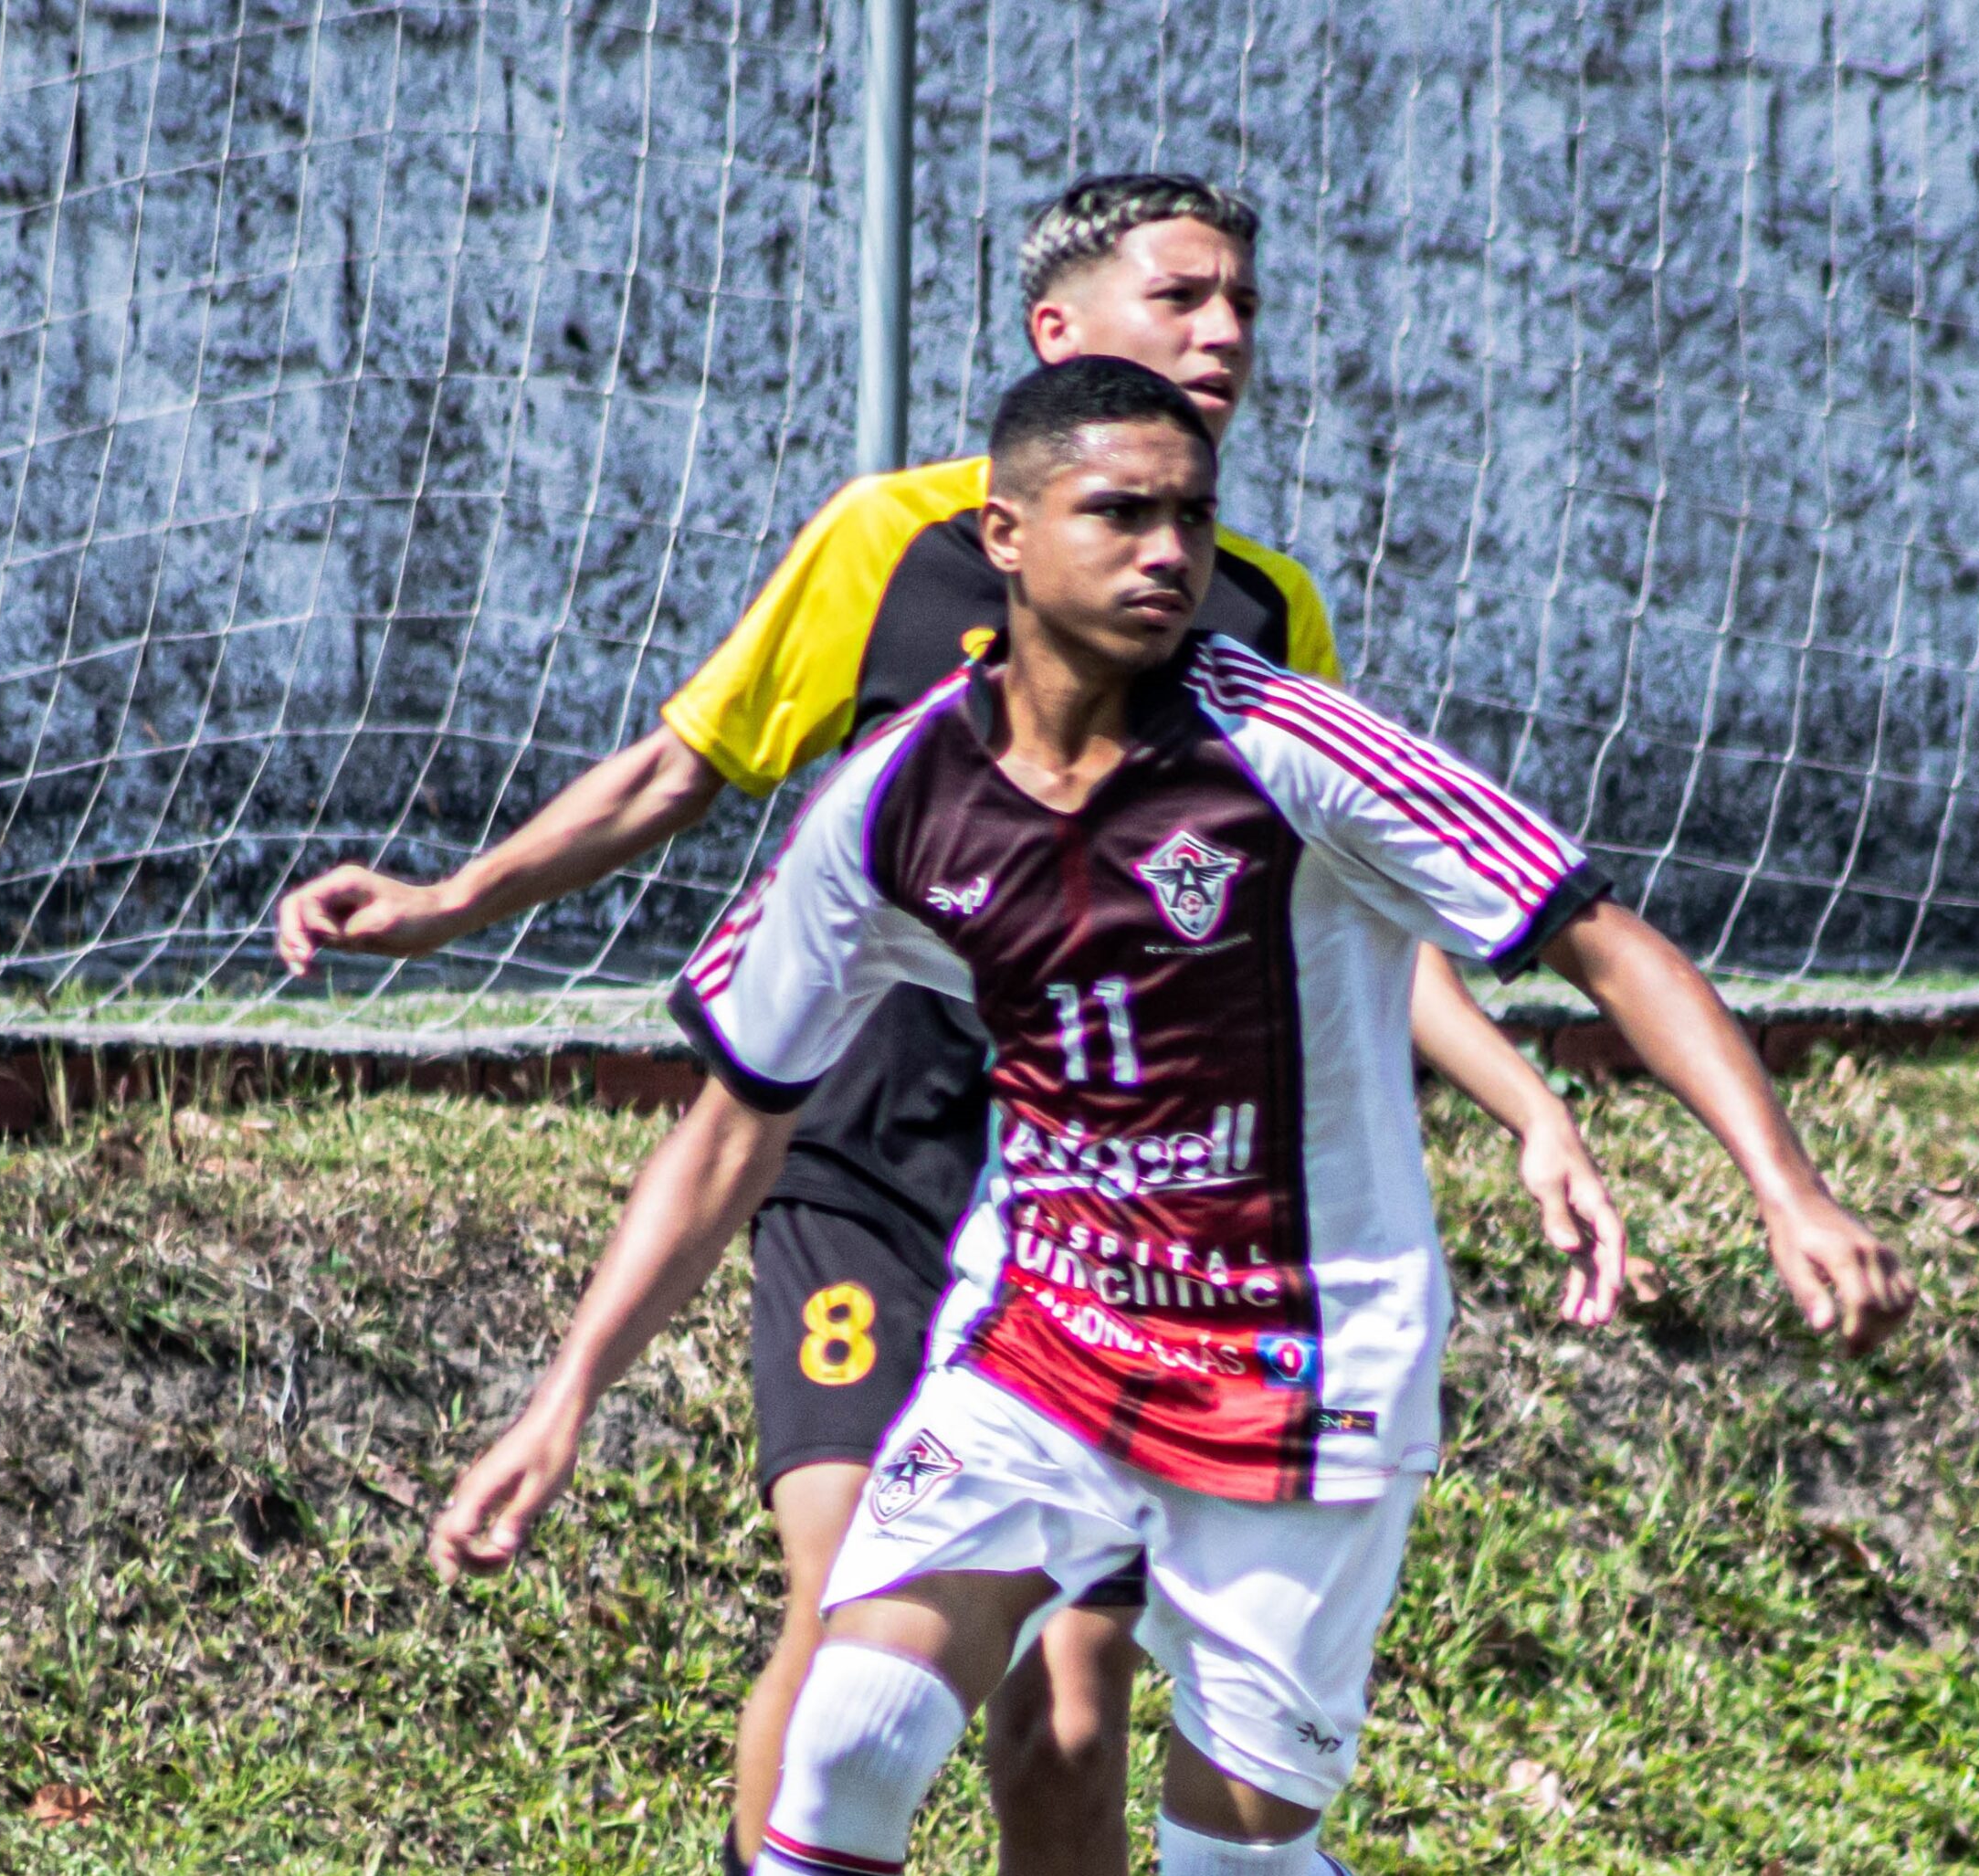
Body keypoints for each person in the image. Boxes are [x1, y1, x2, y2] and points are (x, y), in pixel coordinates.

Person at [276, 174, 1627, 1875]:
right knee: (852, 1634)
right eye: (1182, 297)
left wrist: (1522, 1102)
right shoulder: (888, 540)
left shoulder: (1256, 613)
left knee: (1070, 1706)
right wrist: (453, 902)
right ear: (1056, 339)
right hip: (867, 1165)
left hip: (1122, 1239)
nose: (1222, 334)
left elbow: (1333, 913)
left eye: (1242, 309)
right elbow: (687, 766)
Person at [427, 358, 1917, 1875]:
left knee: (1237, 1865)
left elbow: (1599, 933)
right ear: (1002, 534)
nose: (1168, 552)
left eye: (1193, 518)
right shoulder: (896, 795)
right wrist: (563, 1403)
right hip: (1045, 1337)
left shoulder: (1293, 746)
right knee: (854, 1728)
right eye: (1120, 512)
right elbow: (734, 1119)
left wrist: (1787, 1188)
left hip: (1302, 1364)